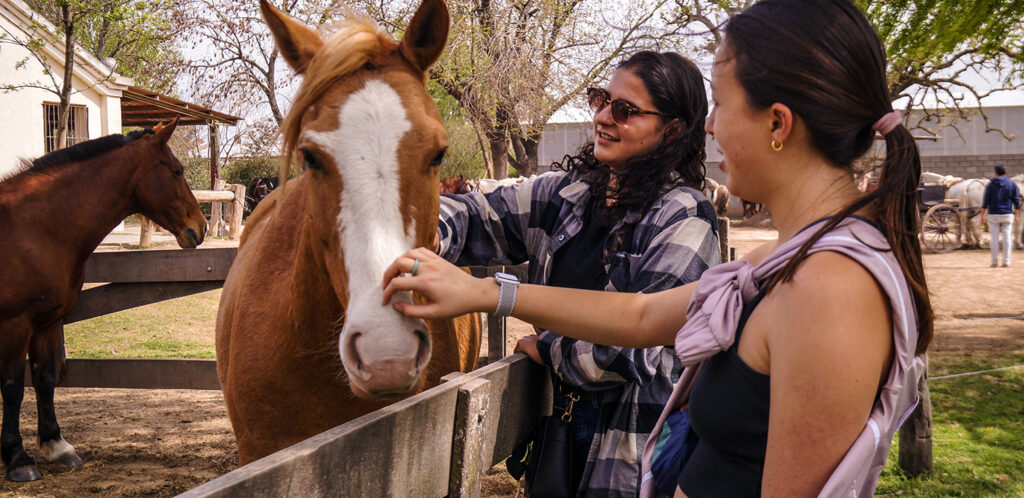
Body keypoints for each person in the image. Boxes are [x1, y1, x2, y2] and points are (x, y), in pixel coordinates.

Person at [382, 0, 932, 496]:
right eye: (603, 101)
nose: (710, 126)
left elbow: (639, 349)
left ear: (777, 123)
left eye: (720, 104)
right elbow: (643, 315)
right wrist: (413, 239)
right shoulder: (781, 261)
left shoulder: (828, 289)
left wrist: (512, 315)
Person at [431, 51, 720, 496]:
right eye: (601, 99)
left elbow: (629, 354)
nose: (604, 117)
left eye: (624, 110)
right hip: (557, 429)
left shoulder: (685, 216)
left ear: (672, 130)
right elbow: (475, 214)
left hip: (627, 448)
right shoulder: (566, 195)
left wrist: (549, 349)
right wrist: (430, 232)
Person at [980, 165, 1021, 267]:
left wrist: (981, 216)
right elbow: (1016, 201)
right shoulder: (1012, 184)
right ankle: (1006, 261)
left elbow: (985, 202)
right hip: (1007, 214)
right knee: (1007, 238)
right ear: (1006, 172)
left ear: (995, 173)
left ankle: (994, 262)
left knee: (994, 239)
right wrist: (1016, 215)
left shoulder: (990, 184)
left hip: (993, 215)